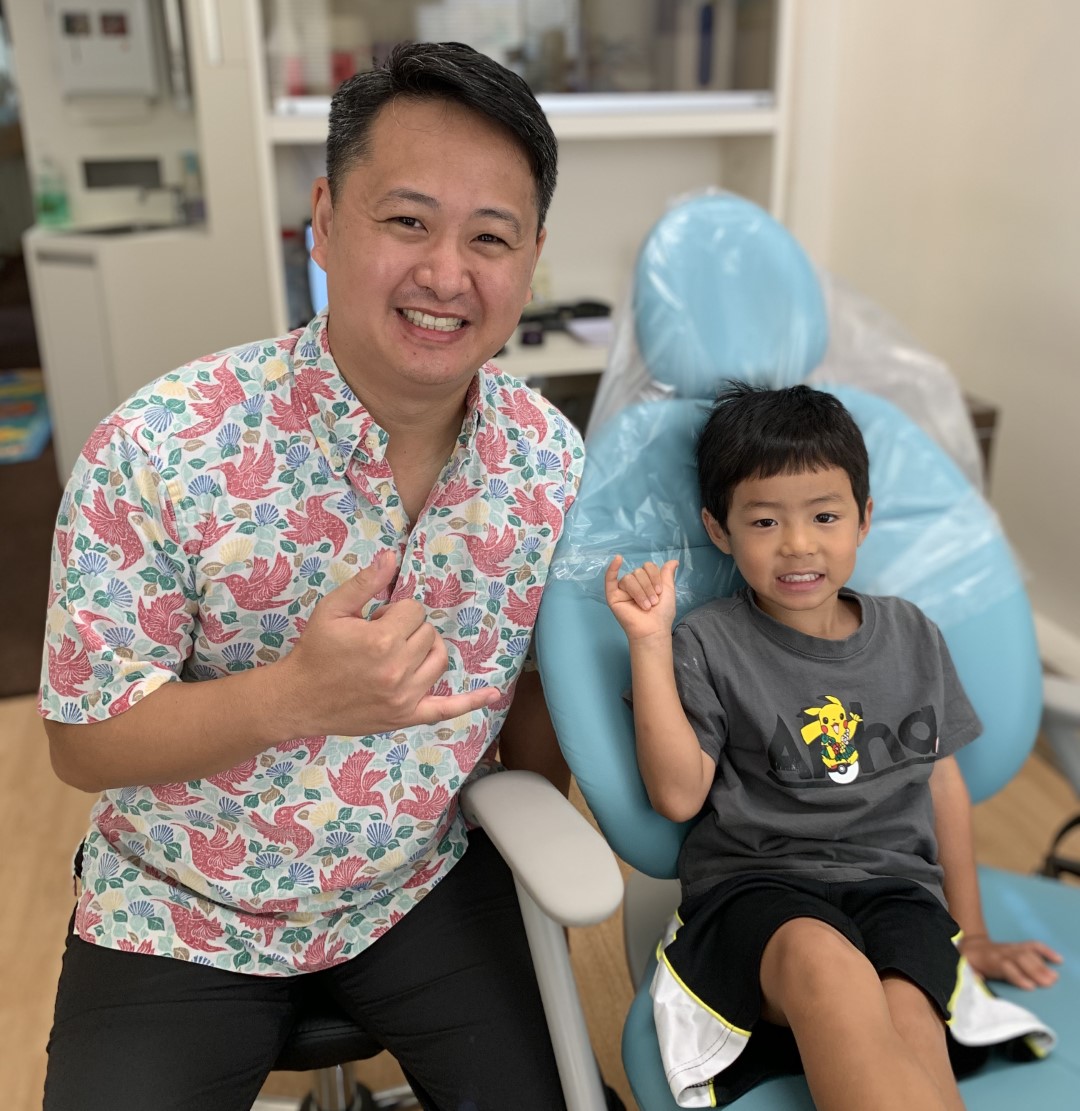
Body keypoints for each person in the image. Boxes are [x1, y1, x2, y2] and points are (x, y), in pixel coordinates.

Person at [39, 41, 590, 1111]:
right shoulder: (159, 447)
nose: (448, 275)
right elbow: (83, 741)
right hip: (179, 902)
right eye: (408, 221)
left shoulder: (547, 462)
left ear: (532, 262)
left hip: (419, 883)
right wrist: (293, 696)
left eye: (491, 237)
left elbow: (535, 690)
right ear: (326, 223)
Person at [604, 383, 1060, 1110]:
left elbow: (942, 785)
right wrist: (650, 644)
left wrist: (970, 934)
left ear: (863, 519)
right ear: (719, 529)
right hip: (759, 891)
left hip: (895, 892)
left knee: (911, 1011)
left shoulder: (912, 633)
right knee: (827, 965)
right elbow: (678, 796)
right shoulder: (708, 643)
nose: (798, 544)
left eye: (825, 515)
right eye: (764, 520)